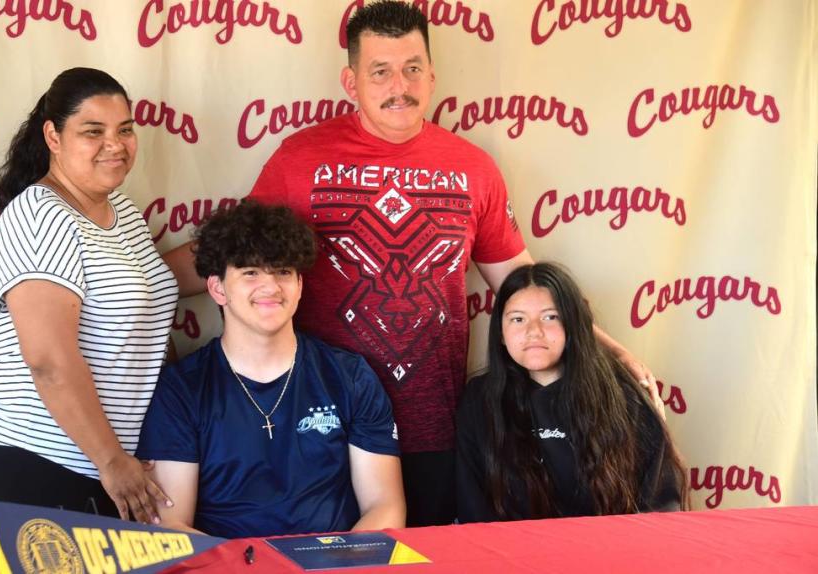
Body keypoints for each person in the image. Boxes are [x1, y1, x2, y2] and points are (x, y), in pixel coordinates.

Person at [164, 0, 653, 526]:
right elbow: (237, 253)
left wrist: (608, 347)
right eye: (380, 71)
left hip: (434, 428)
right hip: (328, 431)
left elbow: (520, 281)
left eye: (412, 68)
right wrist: (129, 278)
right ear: (351, 82)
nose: (400, 85)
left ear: (432, 74)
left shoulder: (474, 169)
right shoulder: (300, 159)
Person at [0, 68, 178, 556]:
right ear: (53, 136)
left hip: (96, 464)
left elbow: (161, 282)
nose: (114, 145)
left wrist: (249, 252)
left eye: (125, 129)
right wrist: (113, 460)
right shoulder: (41, 214)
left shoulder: (121, 212)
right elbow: (49, 361)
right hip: (32, 463)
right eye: (93, 131)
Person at [136, 201, 405, 538]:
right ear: (218, 288)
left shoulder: (350, 376)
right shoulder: (180, 389)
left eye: (282, 272)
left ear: (300, 285)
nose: (271, 287)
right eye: (250, 272)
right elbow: (171, 528)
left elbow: (385, 507)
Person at [455, 262, 688, 522]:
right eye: (518, 319)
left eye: (550, 317)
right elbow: (472, 510)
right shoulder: (480, 401)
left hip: (612, 557)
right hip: (513, 557)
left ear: (574, 325)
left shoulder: (624, 397)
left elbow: (660, 509)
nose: (534, 332)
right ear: (500, 333)